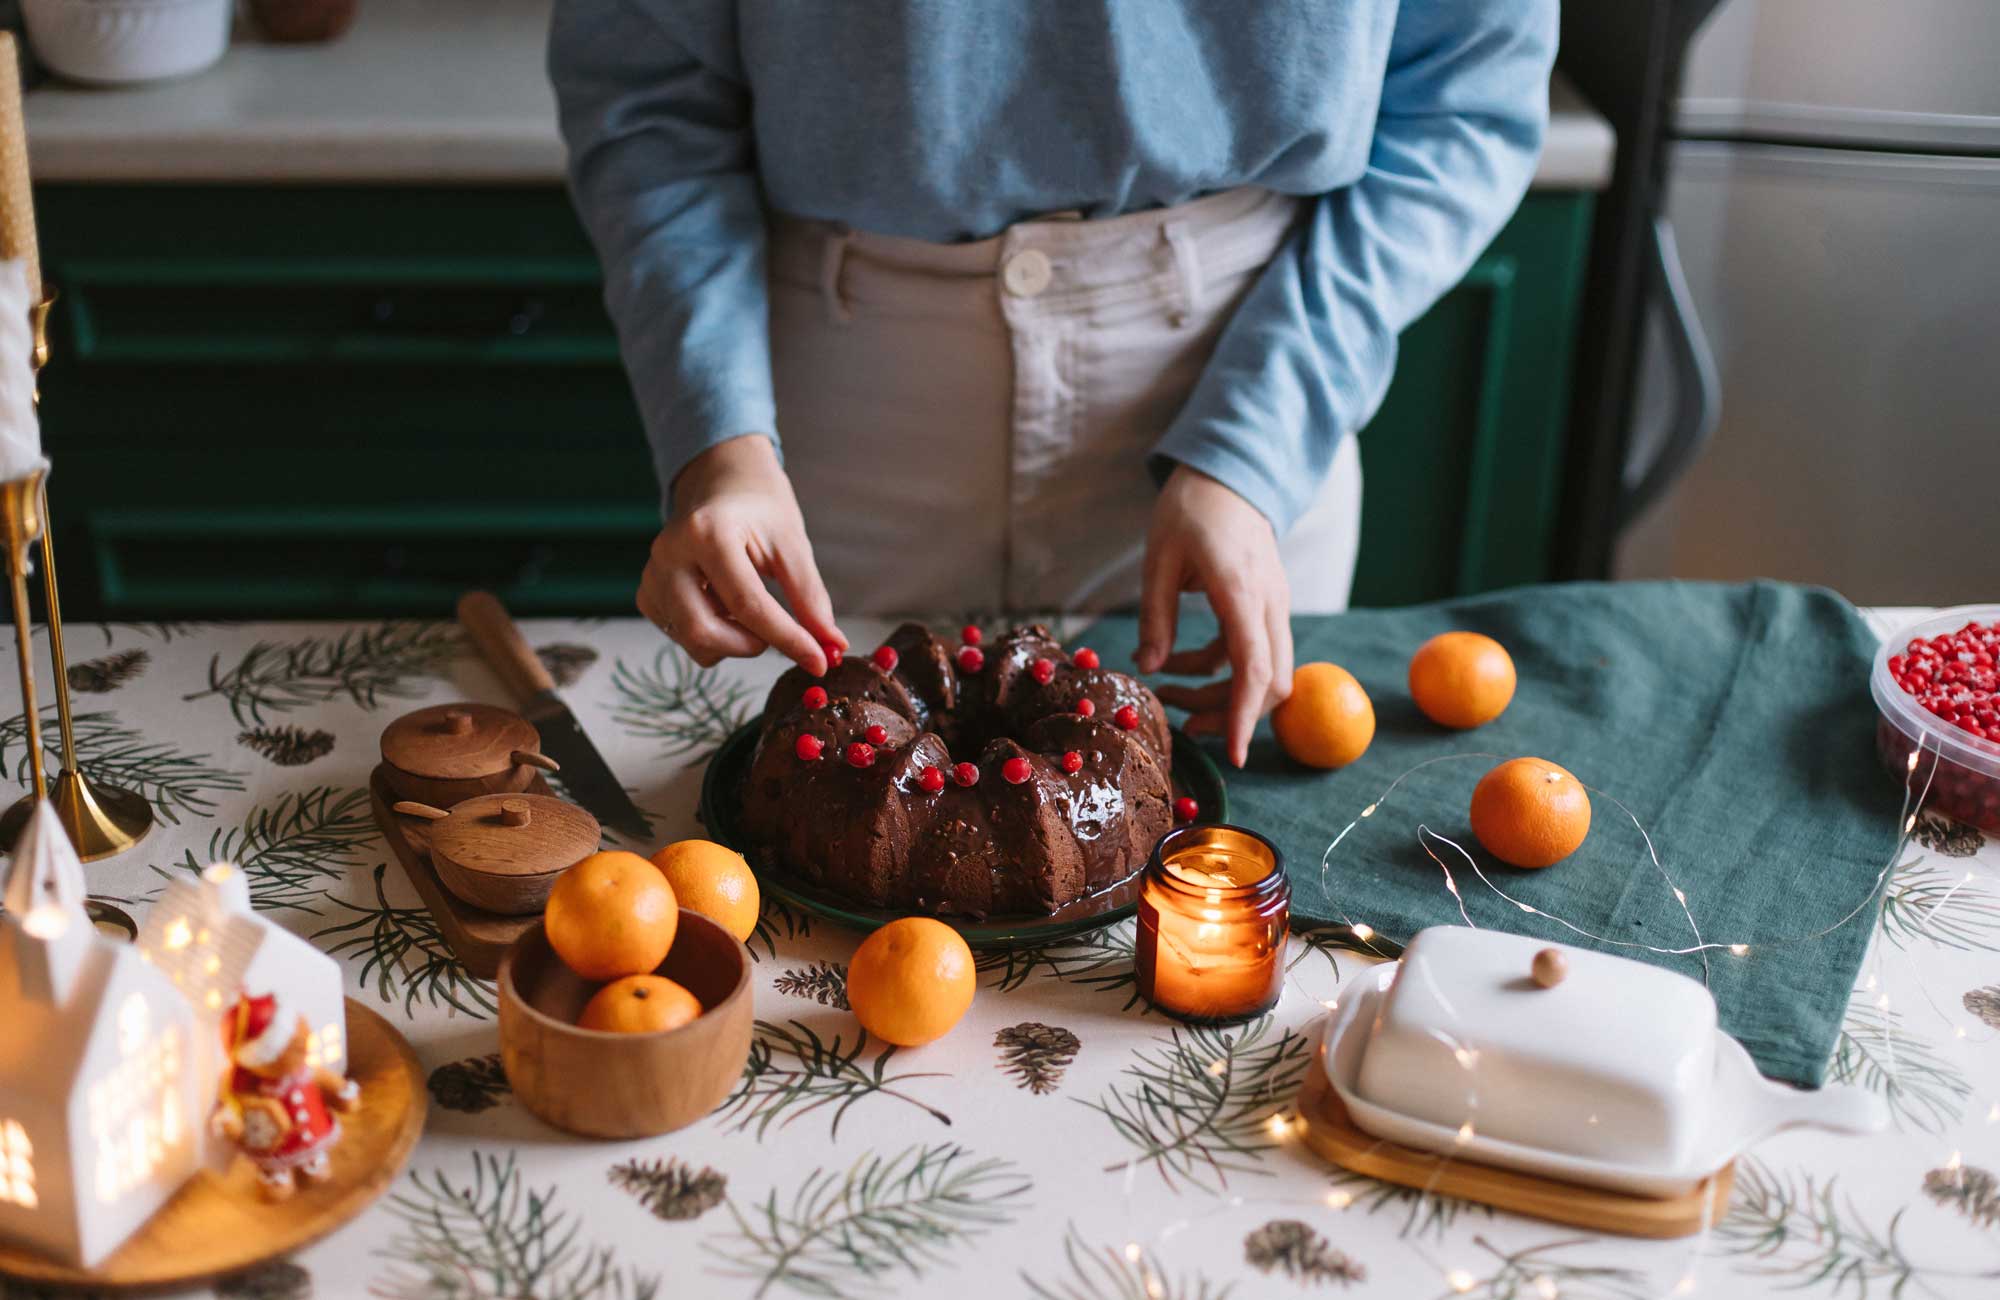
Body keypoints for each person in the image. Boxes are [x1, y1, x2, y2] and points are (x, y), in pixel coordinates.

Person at [551, 1, 1555, 767]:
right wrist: (720, 449)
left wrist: (1255, 445)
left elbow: (1468, 92)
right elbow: (651, 101)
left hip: (1242, 405)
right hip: (825, 433)